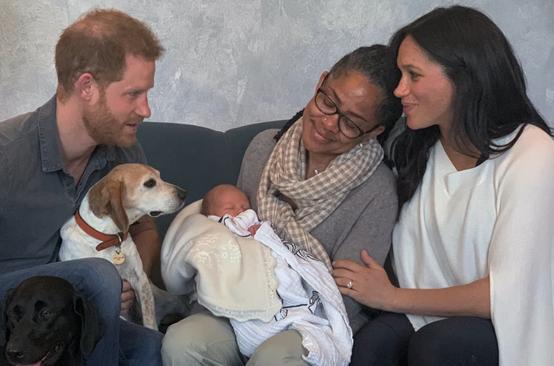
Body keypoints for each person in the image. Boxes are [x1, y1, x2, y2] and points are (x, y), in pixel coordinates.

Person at [0, 9, 166, 366]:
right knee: (95, 275)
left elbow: (145, 228)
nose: (146, 109)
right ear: (87, 87)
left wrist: (129, 283)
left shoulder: (123, 152)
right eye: (133, 94)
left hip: (49, 310)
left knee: (149, 347)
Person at [333, 6, 554, 366]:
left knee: (441, 345)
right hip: (425, 317)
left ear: (463, 78)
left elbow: (505, 295)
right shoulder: (413, 148)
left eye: (413, 75)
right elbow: (332, 126)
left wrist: (389, 297)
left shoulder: (533, 154)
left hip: (508, 327)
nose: (399, 89)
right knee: (372, 343)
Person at [162, 44, 403, 365]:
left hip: (310, 318)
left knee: (273, 359)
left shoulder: (377, 189)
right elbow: (237, 236)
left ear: (372, 132)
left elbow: (345, 293)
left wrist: (278, 312)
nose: (329, 123)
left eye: (351, 123)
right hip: (243, 300)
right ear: (320, 83)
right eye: (329, 101)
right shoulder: (264, 147)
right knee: (183, 341)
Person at [199, 184, 352, 366]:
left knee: (287, 280)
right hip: (246, 294)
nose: (240, 211)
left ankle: (296, 307)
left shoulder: (261, 226)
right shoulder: (216, 230)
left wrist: (265, 236)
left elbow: (283, 253)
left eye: (245, 207)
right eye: (230, 208)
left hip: (291, 307)